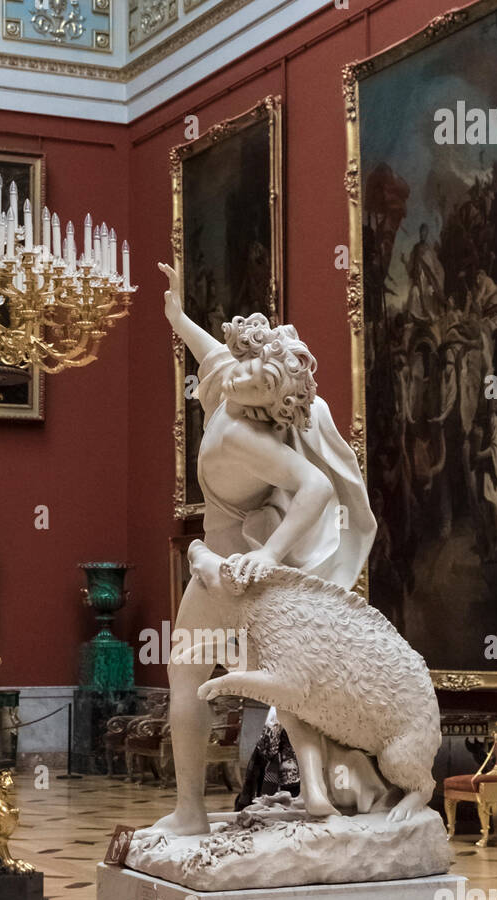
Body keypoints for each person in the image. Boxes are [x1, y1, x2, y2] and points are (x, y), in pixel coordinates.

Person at [147, 260, 376, 835]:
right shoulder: (233, 387)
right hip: (237, 569)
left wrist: (270, 555)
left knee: (186, 673)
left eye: (259, 382)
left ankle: (191, 812)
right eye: (250, 368)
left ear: (269, 402)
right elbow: (211, 356)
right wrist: (179, 318)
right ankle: (324, 792)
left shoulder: (248, 437)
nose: (242, 378)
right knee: (283, 684)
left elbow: (318, 488)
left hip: (228, 576)